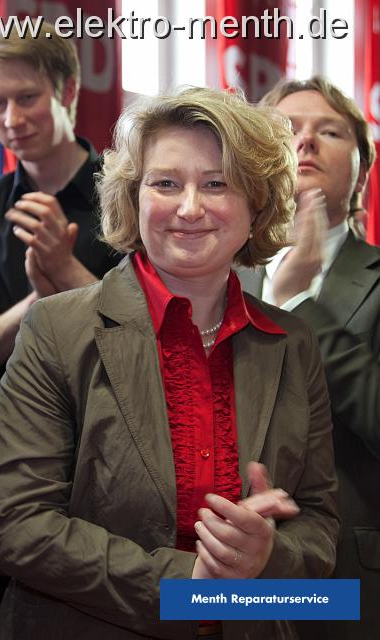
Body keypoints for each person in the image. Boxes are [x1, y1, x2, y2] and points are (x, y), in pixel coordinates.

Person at [0, 87, 339, 640]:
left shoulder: (293, 341)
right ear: (133, 199)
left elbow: (320, 530)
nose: (189, 208)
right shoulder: (56, 329)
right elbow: (11, 524)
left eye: (217, 183)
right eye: (165, 183)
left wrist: (270, 555)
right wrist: (183, 586)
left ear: (256, 205)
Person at [0, 22, 121, 639]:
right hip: (9, 447)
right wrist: (37, 301)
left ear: (67, 91)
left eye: (26, 97)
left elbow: (152, 335)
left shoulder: (126, 194)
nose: (11, 117)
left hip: (113, 449)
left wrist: (66, 271)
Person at [239, 76, 380, 640]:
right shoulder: (213, 278)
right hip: (217, 575)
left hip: (343, 581)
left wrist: (298, 304)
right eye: (287, 128)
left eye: (331, 132)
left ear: (362, 174)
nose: (306, 141)